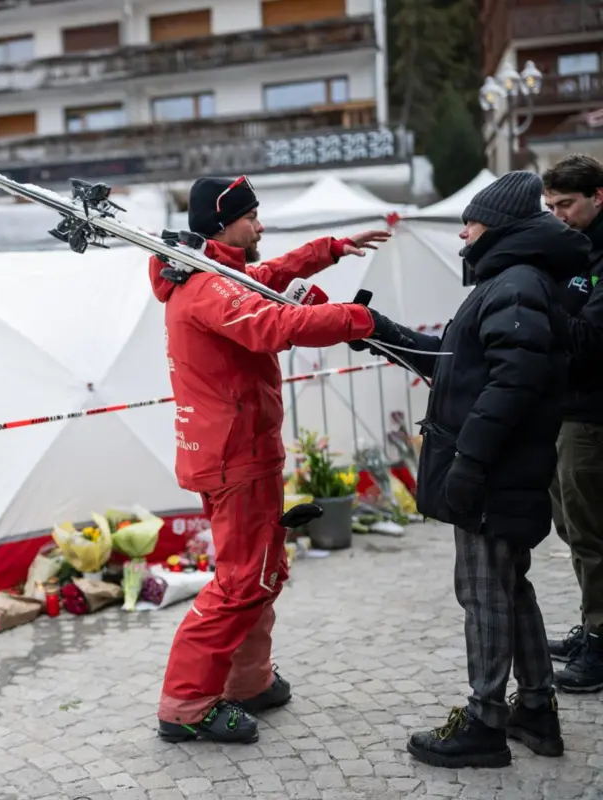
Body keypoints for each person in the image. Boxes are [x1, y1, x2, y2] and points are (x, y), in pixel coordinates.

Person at [357, 171, 589, 768]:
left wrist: (469, 461)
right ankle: (535, 708)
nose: (463, 233)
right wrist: (378, 332)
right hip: (502, 469)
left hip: (496, 473)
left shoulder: (516, 284)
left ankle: (485, 721)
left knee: (484, 593)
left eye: (471, 221)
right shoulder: (512, 282)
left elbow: (514, 384)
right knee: (510, 590)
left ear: (500, 226)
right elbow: (456, 367)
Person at [152, 174, 392, 744]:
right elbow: (272, 323)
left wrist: (329, 251)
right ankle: (187, 704)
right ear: (222, 223)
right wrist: (358, 321)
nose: (260, 226)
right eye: (252, 216)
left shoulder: (215, 275)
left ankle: (248, 681)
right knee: (241, 582)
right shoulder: (208, 289)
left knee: (261, 572)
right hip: (236, 454)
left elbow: (263, 279)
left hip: (239, 448)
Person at [541, 153, 603, 693]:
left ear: (598, 197)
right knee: (573, 529)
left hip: (592, 413)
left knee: (592, 532)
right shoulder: (574, 251)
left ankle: (602, 641)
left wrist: (544, 309)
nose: (557, 215)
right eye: (550, 206)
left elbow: (587, 339)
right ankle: (593, 626)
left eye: (567, 204)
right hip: (567, 408)